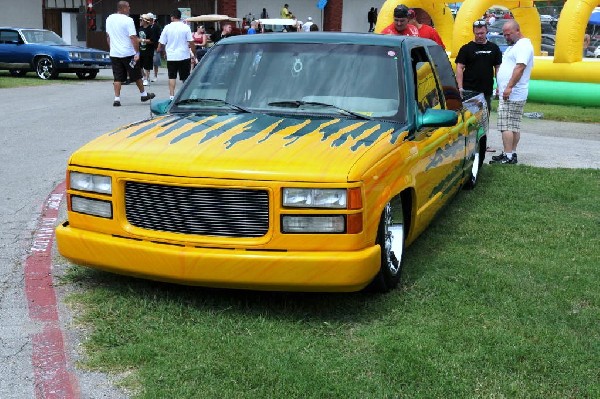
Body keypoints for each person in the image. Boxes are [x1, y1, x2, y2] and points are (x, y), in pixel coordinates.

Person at [490, 20, 534, 165]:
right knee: (513, 125)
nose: (506, 37)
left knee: (506, 125)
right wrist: (501, 85)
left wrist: (508, 87)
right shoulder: (515, 46)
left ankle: (508, 156)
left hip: (513, 93)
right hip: (511, 92)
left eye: (508, 34)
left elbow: (519, 68)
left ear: (517, 30)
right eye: (504, 34)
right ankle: (511, 153)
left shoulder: (523, 46)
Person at [105, 1, 155, 107]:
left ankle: (117, 99)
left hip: (115, 53)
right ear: (123, 9)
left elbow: (108, 36)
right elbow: (133, 38)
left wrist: (111, 49)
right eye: (128, 7)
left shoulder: (109, 18)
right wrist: (137, 52)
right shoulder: (128, 20)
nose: (129, 8)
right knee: (136, 75)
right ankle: (143, 94)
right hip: (128, 52)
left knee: (117, 77)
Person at [455, 19, 502, 116]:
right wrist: (460, 88)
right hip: (469, 90)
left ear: (486, 32)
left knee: (484, 118)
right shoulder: (466, 48)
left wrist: (499, 85)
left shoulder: (494, 48)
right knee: (470, 118)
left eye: (482, 33)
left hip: (486, 90)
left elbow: (498, 68)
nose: (479, 36)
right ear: (473, 32)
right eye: (477, 33)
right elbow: (459, 67)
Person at [157, 9, 196, 101]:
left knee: (172, 76)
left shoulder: (167, 27)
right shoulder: (186, 27)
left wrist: (159, 49)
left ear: (172, 17)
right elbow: (191, 42)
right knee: (185, 77)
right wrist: (194, 54)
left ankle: (172, 96)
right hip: (184, 55)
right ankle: (186, 95)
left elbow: (161, 42)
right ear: (180, 17)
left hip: (171, 56)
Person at [138, 15, 154, 86]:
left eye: (141, 20)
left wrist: (142, 40)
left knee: (147, 66)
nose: (140, 21)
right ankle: (144, 77)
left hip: (148, 50)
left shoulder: (150, 29)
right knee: (139, 65)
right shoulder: (139, 29)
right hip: (140, 50)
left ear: (145, 21)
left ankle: (146, 78)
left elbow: (152, 40)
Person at [146, 12, 162, 82]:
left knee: (155, 62)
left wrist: (159, 46)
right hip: (147, 47)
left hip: (155, 46)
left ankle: (155, 75)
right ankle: (147, 76)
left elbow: (160, 37)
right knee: (147, 62)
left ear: (152, 19)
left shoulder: (156, 26)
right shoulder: (146, 26)